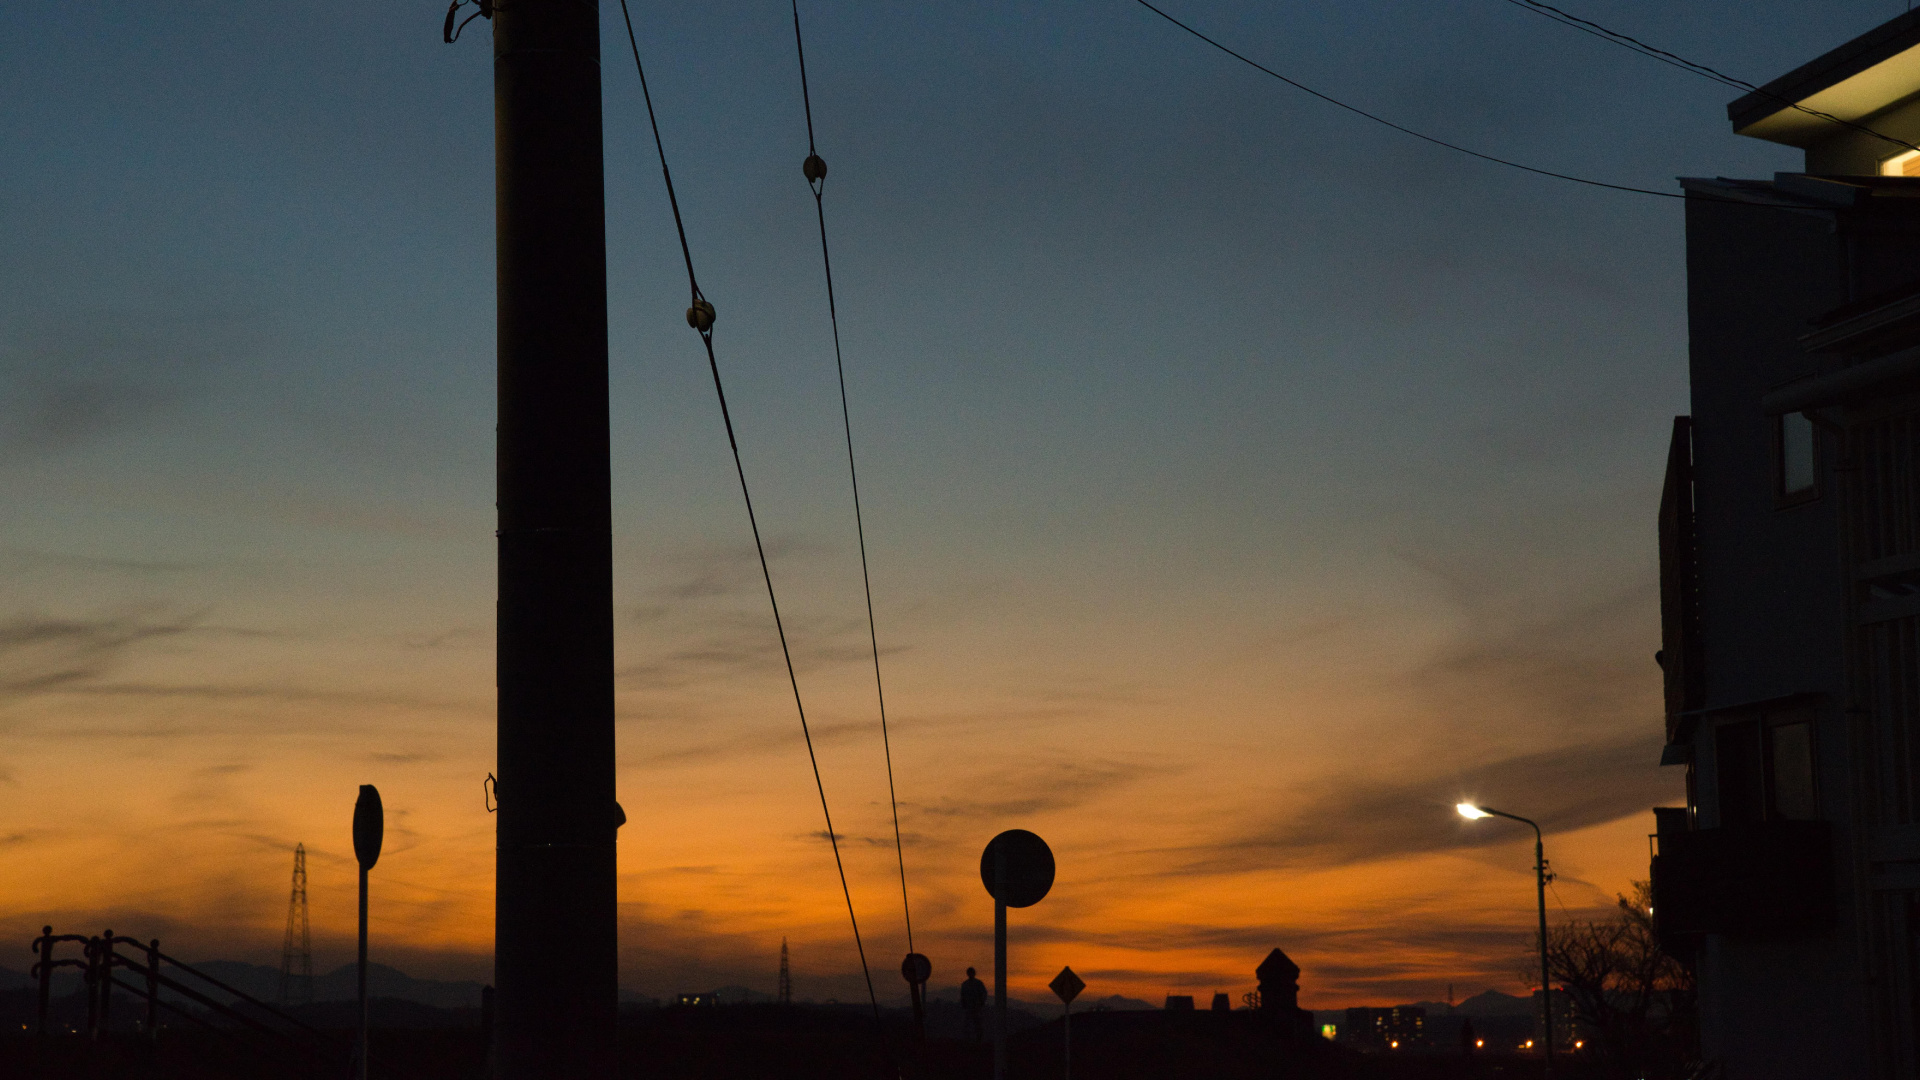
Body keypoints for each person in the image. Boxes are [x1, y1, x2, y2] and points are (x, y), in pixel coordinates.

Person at [960, 966, 987, 1042]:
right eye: (969, 973)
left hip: (977, 1007)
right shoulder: (965, 984)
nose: (970, 974)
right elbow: (962, 995)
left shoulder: (978, 983)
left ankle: (979, 1040)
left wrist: (981, 1003)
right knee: (967, 1025)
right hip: (968, 1007)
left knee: (978, 1024)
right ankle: (967, 1040)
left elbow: (984, 994)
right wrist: (964, 1004)